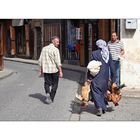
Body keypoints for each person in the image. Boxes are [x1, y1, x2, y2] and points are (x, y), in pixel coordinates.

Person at [87, 39, 116, 116]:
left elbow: (91, 66)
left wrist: (89, 78)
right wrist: (113, 79)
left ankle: (99, 108)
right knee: (103, 92)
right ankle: (103, 107)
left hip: (96, 77)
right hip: (105, 77)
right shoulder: (108, 54)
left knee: (96, 92)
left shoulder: (94, 53)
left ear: (98, 45)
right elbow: (112, 67)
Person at [38, 36, 63, 104]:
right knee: (55, 84)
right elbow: (58, 62)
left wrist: (40, 70)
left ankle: (48, 93)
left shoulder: (44, 49)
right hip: (54, 70)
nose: (58, 43)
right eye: (57, 42)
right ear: (53, 41)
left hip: (46, 70)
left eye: (58, 42)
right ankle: (51, 97)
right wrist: (60, 71)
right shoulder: (55, 50)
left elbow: (40, 60)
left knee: (47, 83)